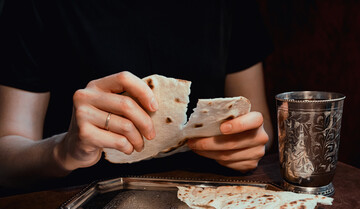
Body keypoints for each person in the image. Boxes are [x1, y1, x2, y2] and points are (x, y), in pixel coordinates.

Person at [0, 0, 273, 188]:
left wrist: (246, 144)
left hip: (213, 203)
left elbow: (261, 128)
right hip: (82, 206)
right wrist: (62, 150)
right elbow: (5, 158)